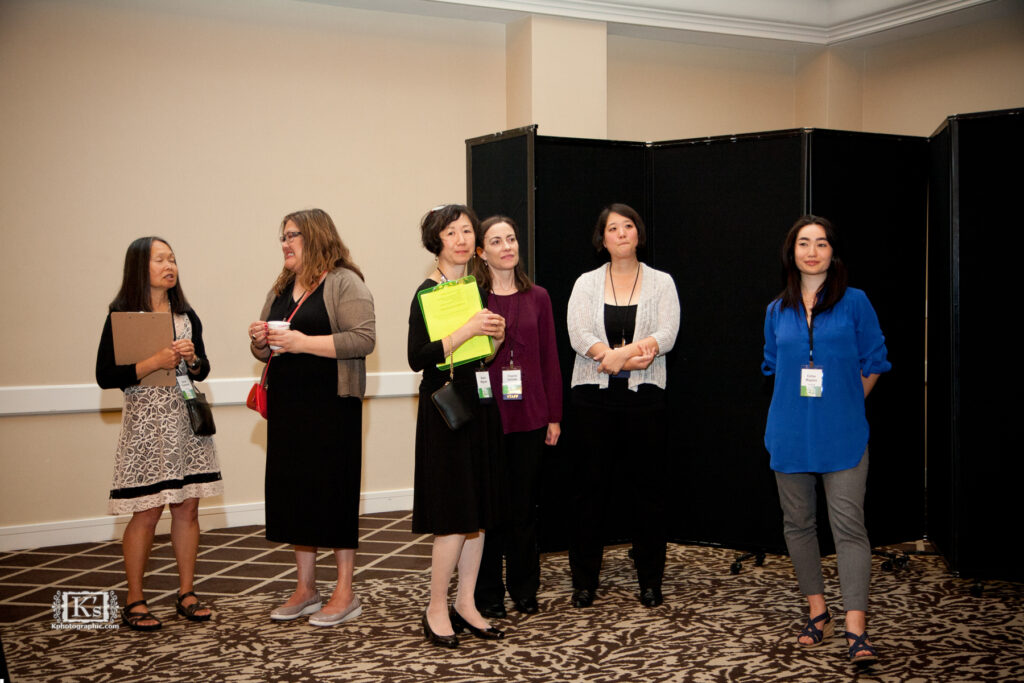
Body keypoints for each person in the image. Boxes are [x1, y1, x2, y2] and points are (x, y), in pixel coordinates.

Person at [761, 215, 890, 665]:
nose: (812, 251)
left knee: (849, 526)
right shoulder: (776, 310)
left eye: (821, 243)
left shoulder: (856, 303)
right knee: (798, 525)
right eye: (803, 243)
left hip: (843, 431)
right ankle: (819, 612)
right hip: (790, 431)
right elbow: (774, 366)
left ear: (833, 252)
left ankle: (857, 626)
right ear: (791, 252)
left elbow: (875, 362)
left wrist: (848, 400)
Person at [248, 208, 375, 627]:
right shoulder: (283, 285)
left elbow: (363, 338)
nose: (285, 243)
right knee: (295, 494)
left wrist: (302, 342)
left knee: (333, 494)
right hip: (289, 406)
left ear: (316, 235)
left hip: (332, 406)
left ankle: (345, 591)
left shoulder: (344, 281)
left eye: (293, 235)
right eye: (282, 236)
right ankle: (306, 588)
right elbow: (265, 351)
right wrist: (260, 340)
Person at [96, 236, 222, 631]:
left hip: (186, 424)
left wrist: (193, 359)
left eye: (173, 259)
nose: (170, 265)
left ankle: (186, 592)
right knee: (146, 511)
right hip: (147, 428)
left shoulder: (187, 315)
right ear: (140, 267)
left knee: (188, 508)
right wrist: (153, 361)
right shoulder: (121, 315)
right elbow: (105, 376)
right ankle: (135, 599)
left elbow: (202, 370)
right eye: (160, 260)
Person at [565, 203, 680, 608]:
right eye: (612, 228)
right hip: (592, 399)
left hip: (645, 398)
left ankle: (650, 580)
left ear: (638, 233)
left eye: (628, 226)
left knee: (648, 492)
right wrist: (611, 358)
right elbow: (578, 332)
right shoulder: (585, 282)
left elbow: (666, 334)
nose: (621, 233)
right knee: (588, 492)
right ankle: (584, 582)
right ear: (602, 239)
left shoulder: (662, 282)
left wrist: (620, 356)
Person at [408, 204, 508, 648]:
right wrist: (468, 329)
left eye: (468, 230)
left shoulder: (475, 287)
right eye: (453, 232)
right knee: (452, 515)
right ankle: (435, 607)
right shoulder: (426, 292)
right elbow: (419, 358)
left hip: (478, 404)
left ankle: (466, 603)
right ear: (437, 241)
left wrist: (495, 339)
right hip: (444, 410)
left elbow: (479, 356)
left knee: (478, 514)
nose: (463, 239)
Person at [472, 216, 562, 618]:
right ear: (482, 252)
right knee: (490, 511)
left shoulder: (539, 296)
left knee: (524, 509)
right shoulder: (473, 300)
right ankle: (487, 594)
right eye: (496, 241)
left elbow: (550, 360)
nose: (507, 246)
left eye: (511, 238)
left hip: (531, 415)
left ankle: (525, 589)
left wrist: (554, 416)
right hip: (488, 415)